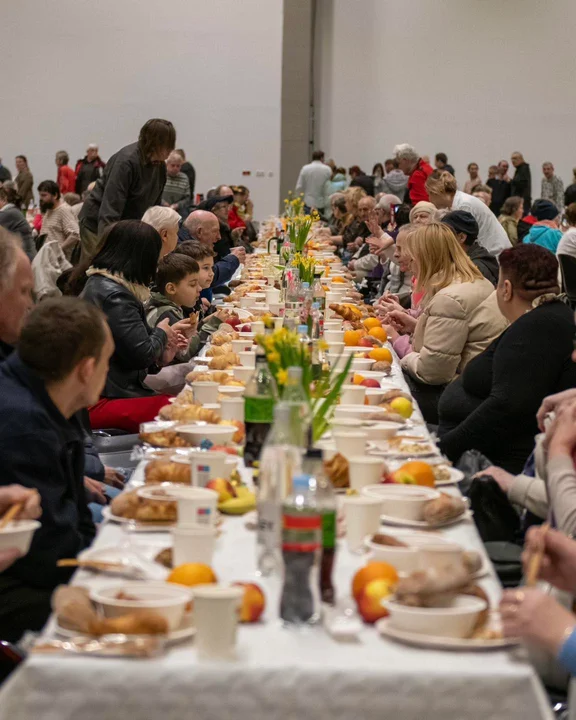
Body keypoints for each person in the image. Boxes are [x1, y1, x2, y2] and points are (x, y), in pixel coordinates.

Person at [0, 297, 114, 641]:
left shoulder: (44, 398)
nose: (108, 372)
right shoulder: (27, 426)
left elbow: (71, 518)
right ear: (86, 369)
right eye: (108, 363)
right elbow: (54, 556)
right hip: (17, 594)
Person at [438, 244, 576, 473]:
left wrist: (441, 450)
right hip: (480, 453)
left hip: (491, 465)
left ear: (506, 289)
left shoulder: (539, 326)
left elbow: (506, 408)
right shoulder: (543, 319)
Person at [81, 220, 190, 432]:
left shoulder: (107, 285)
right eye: (156, 257)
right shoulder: (115, 295)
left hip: (110, 389)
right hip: (99, 399)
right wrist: (161, 333)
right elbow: (141, 354)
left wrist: (162, 356)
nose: (157, 264)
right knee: (181, 411)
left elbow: (130, 354)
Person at [394, 223, 506, 422]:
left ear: (426, 258)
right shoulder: (472, 281)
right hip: (477, 389)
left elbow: (432, 372)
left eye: (412, 258)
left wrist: (396, 345)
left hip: (460, 395)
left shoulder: (449, 298)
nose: (410, 265)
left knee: (390, 392)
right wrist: (414, 327)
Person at [79, 118, 176, 262]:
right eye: (167, 145)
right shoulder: (125, 163)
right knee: (97, 270)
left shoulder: (160, 166)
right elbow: (109, 210)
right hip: (98, 224)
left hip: (126, 227)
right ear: (154, 143)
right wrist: (107, 249)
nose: (171, 150)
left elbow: (154, 210)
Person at [425, 171, 511, 255]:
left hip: (495, 253)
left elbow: (462, 243)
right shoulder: (459, 201)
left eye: (429, 194)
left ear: (436, 192)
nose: (429, 199)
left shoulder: (464, 205)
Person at [145, 253, 201, 362]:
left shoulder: (160, 303)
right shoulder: (167, 314)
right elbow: (185, 354)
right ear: (171, 288)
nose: (199, 288)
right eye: (193, 284)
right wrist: (211, 326)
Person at [183, 209, 243, 293]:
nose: (219, 237)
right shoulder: (186, 249)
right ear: (200, 232)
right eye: (215, 231)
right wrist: (233, 259)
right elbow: (211, 278)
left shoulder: (195, 244)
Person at [441, 210, 499, 285]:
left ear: (461, 237)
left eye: (445, 234)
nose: (440, 238)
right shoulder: (468, 258)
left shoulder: (475, 269)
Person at [35, 180, 80, 257]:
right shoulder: (49, 209)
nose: (41, 199)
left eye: (44, 195)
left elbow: (75, 235)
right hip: (48, 258)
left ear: (55, 195)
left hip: (59, 262)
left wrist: (58, 250)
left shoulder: (64, 210)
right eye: (40, 195)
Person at [0, 186, 34, 259]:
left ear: (4, 199)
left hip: (23, 259)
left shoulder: (8, 213)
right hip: (25, 255)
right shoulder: (13, 211)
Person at [161, 151, 191, 216]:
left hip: (178, 209)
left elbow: (187, 198)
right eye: (173, 165)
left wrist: (177, 205)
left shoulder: (184, 178)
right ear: (167, 165)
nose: (175, 168)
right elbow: (155, 193)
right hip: (161, 206)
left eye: (178, 166)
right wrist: (164, 203)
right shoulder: (161, 175)